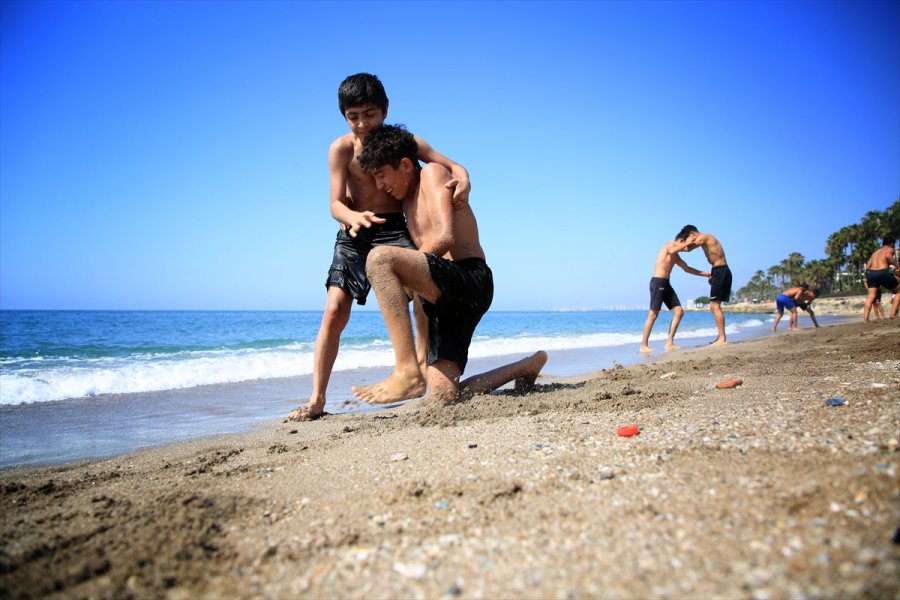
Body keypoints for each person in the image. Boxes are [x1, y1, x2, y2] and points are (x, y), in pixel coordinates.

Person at [288, 74, 471, 421]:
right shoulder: (341, 149)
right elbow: (334, 204)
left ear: (385, 110)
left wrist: (465, 178)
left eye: (369, 114)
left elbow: (450, 164)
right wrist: (352, 216)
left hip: (394, 228)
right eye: (353, 116)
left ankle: (415, 369)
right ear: (344, 117)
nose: (362, 123)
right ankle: (317, 399)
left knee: (421, 291)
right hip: (355, 232)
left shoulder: (403, 142)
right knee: (334, 311)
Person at [351, 125, 547, 405]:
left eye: (381, 176)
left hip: (469, 279)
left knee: (380, 258)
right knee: (444, 399)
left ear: (405, 164)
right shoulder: (404, 201)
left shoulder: (432, 174)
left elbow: (445, 236)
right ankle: (527, 366)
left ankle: (407, 371)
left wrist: (405, 278)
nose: (381, 185)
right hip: (443, 300)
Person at [639, 237, 710, 353]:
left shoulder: (676, 255)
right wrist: (687, 242)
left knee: (679, 311)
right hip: (658, 282)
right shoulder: (669, 246)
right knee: (653, 314)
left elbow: (687, 269)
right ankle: (643, 345)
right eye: (686, 246)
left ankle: (669, 342)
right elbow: (672, 250)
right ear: (681, 241)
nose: (687, 249)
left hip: (666, 283)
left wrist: (706, 274)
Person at [677, 225, 732, 345]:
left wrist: (678, 245)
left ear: (692, 233)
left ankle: (722, 338)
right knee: (714, 305)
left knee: (714, 305)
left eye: (687, 237)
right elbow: (688, 248)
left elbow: (689, 248)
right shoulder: (704, 239)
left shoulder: (705, 237)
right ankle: (721, 337)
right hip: (717, 271)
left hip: (721, 271)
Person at [863, 238, 900, 321]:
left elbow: (867, 267)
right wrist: (897, 266)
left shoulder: (875, 253)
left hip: (871, 274)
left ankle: (866, 319)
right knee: (898, 291)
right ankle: (892, 315)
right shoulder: (890, 249)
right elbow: (888, 256)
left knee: (871, 296)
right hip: (882, 272)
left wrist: (866, 277)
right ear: (891, 244)